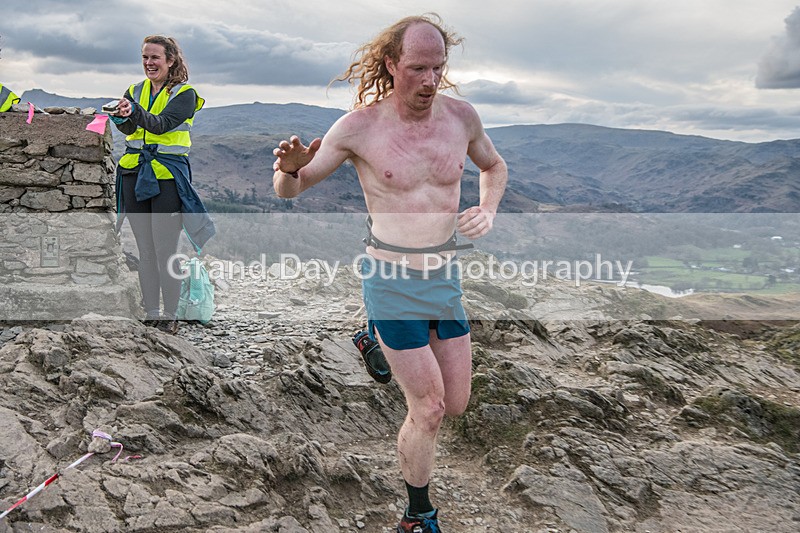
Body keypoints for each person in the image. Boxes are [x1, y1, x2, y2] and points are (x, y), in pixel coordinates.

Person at [272, 14, 507, 532]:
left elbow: (494, 166)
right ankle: (417, 514)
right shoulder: (359, 128)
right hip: (390, 277)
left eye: (438, 68)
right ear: (390, 65)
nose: (429, 80)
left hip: (443, 277)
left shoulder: (462, 118)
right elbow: (293, 190)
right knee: (430, 407)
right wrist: (287, 170)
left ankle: (371, 338)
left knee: (459, 402)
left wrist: (488, 209)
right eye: (418, 68)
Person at [110, 35, 214, 334]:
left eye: (155, 57)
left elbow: (161, 124)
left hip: (167, 177)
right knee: (145, 250)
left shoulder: (186, 94)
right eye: (144, 57)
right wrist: (120, 116)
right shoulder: (135, 90)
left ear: (170, 60)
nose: (148, 63)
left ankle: (170, 315)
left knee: (166, 249)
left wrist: (135, 112)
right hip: (133, 173)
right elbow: (132, 127)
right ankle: (151, 312)